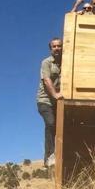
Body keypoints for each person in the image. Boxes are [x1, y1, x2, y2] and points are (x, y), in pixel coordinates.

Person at [37, 38, 64, 168]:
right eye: (54, 46)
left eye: (59, 46)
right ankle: (49, 157)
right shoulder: (46, 62)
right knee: (51, 123)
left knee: (61, 126)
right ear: (50, 49)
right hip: (45, 100)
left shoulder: (66, 62)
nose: (57, 48)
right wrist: (55, 95)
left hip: (58, 102)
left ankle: (61, 154)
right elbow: (47, 81)